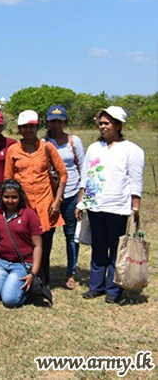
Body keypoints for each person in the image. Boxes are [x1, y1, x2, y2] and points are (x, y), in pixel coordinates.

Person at [75, 106, 144, 304]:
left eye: (107, 123)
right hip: (95, 206)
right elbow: (86, 176)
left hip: (118, 207)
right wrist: (81, 202)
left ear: (119, 125)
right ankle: (96, 286)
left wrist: (135, 206)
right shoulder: (94, 148)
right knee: (98, 246)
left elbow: (135, 180)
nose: (103, 126)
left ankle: (114, 290)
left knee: (116, 249)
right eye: (101, 123)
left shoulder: (132, 150)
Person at [4, 110, 67, 286]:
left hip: (46, 206)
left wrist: (57, 200)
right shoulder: (13, 150)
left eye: (32, 126)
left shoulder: (47, 148)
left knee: (44, 245)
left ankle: (42, 282)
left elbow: (63, 174)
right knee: (25, 245)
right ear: (19, 129)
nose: (28, 130)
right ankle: (24, 279)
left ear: (37, 127)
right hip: (23, 207)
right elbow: (8, 179)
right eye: (24, 127)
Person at [0, 180, 42, 308]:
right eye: (6, 197)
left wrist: (33, 273)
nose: (10, 200)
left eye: (14, 197)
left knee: (9, 301)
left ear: (20, 197)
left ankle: (23, 291)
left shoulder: (29, 215)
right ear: (1, 197)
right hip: (1, 262)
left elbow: (38, 246)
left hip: (22, 264)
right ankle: (7, 284)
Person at [45, 105, 85, 290]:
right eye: (53, 121)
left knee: (71, 235)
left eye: (59, 121)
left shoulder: (73, 141)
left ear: (65, 122)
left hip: (71, 193)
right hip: (51, 195)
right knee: (47, 235)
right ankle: (44, 272)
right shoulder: (43, 142)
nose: (56, 124)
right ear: (47, 122)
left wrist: (81, 198)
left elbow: (83, 168)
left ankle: (71, 273)